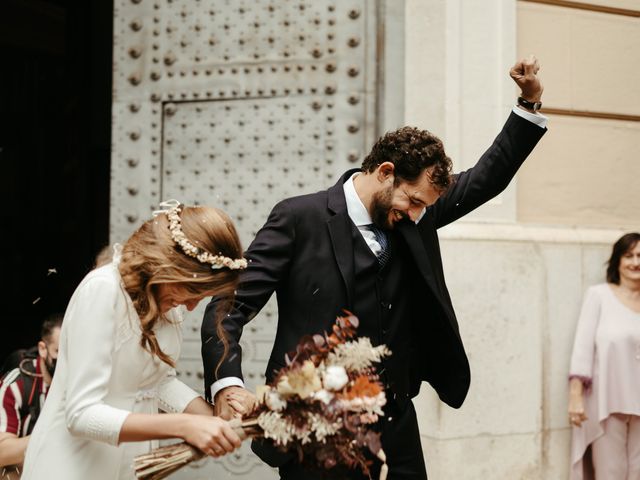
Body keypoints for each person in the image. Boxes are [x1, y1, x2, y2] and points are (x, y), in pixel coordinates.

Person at [202, 56, 547, 479]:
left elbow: (488, 177)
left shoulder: (416, 216)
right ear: (386, 172)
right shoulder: (299, 219)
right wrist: (227, 382)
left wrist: (527, 105)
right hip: (314, 425)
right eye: (414, 201)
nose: (418, 214)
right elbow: (229, 304)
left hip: (395, 422)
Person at [21, 202, 246, 480]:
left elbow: (156, 382)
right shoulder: (103, 290)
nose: (190, 307)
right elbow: (81, 414)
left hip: (129, 466)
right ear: (169, 265)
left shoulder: (168, 303)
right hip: (73, 466)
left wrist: (216, 418)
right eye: (192, 291)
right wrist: (184, 425)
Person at [568, 232, 640, 480]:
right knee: (611, 473)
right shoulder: (599, 296)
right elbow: (582, 347)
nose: (635, 262)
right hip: (607, 403)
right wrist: (575, 397)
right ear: (618, 261)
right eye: (629, 255)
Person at [0, 314, 62, 478]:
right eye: (59, 352)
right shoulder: (15, 385)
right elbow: (2, 452)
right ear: (43, 349)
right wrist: (53, 433)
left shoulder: (77, 381)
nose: (64, 360)